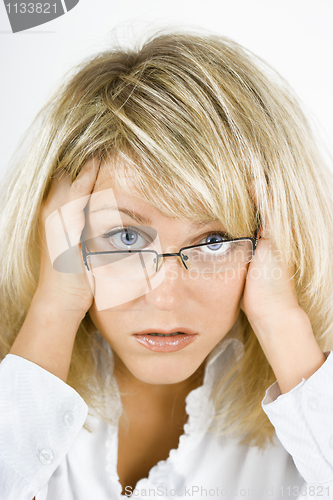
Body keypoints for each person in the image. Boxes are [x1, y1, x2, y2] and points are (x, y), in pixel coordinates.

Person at [0, 29, 333, 500]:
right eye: (126, 237)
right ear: (60, 238)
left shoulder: (311, 418)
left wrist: (283, 321)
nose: (165, 297)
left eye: (214, 240)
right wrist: (53, 308)